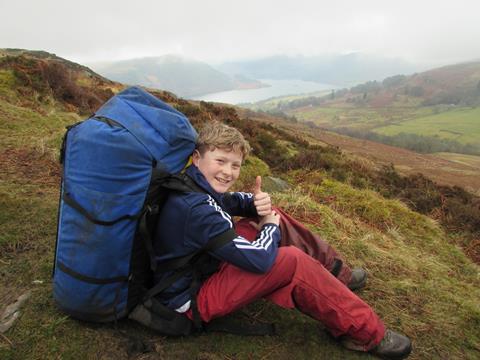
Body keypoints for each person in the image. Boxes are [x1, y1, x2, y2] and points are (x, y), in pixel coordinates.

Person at [151, 121, 412, 359]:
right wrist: (270, 228)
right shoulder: (197, 210)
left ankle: (336, 275)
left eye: (235, 165)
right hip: (189, 302)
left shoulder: (191, 184)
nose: (228, 172)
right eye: (220, 161)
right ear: (197, 158)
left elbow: (225, 202)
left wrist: (256, 203)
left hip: (200, 268)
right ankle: (366, 333)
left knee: (269, 215)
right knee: (291, 261)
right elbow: (259, 261)